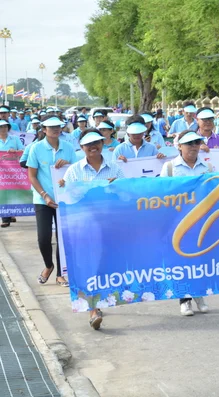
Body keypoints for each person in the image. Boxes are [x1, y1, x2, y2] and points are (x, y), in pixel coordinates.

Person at [61, 129, 125, 329]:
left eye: (96, 142)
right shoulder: (73, 171)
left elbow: (125, 194)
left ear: (102, 144)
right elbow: (70, 198)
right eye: (88, 144)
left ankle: (100, 300)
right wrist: (66, 187)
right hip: (85, 226)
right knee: (89, 265)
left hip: (109, 225)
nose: (93, 147)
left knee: (105, 266)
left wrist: (116, 187)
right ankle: (93, 310)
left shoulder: (115, 169)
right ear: (82, 148)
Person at [159, 130, 212, 316]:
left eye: (196, 143)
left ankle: (199, 294)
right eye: (189, 143)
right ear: (179, 146)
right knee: (181, 261)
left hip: (201, 221)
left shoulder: (207, 168)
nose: (193, 147)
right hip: (178, 222)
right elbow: (162, 194)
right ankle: (184, 299)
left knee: (200, 259)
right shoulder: (170, 168)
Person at [26, 115, 77, 287]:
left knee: (62, 238)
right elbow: (31, 176)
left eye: (58, 126)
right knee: (43, 237)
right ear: (44, 129)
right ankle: (49, 265)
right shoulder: (36, 148)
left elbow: (76, 172)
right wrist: (44, 195)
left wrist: (68, 163)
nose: (56, 129)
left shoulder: (69, 148)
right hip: (42, 199)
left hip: (64, 199)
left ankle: (60, 274)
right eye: (51, 126)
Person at [0, 119, 25, 228]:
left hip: (14, 170)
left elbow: (22, 151)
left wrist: (15, 151)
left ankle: (10, 213)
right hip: (1, 171)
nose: (3, 129)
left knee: (12, 192)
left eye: (5, 126)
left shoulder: (14, 139)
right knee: (3, 193)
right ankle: (5, 218)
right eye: (1, 127)